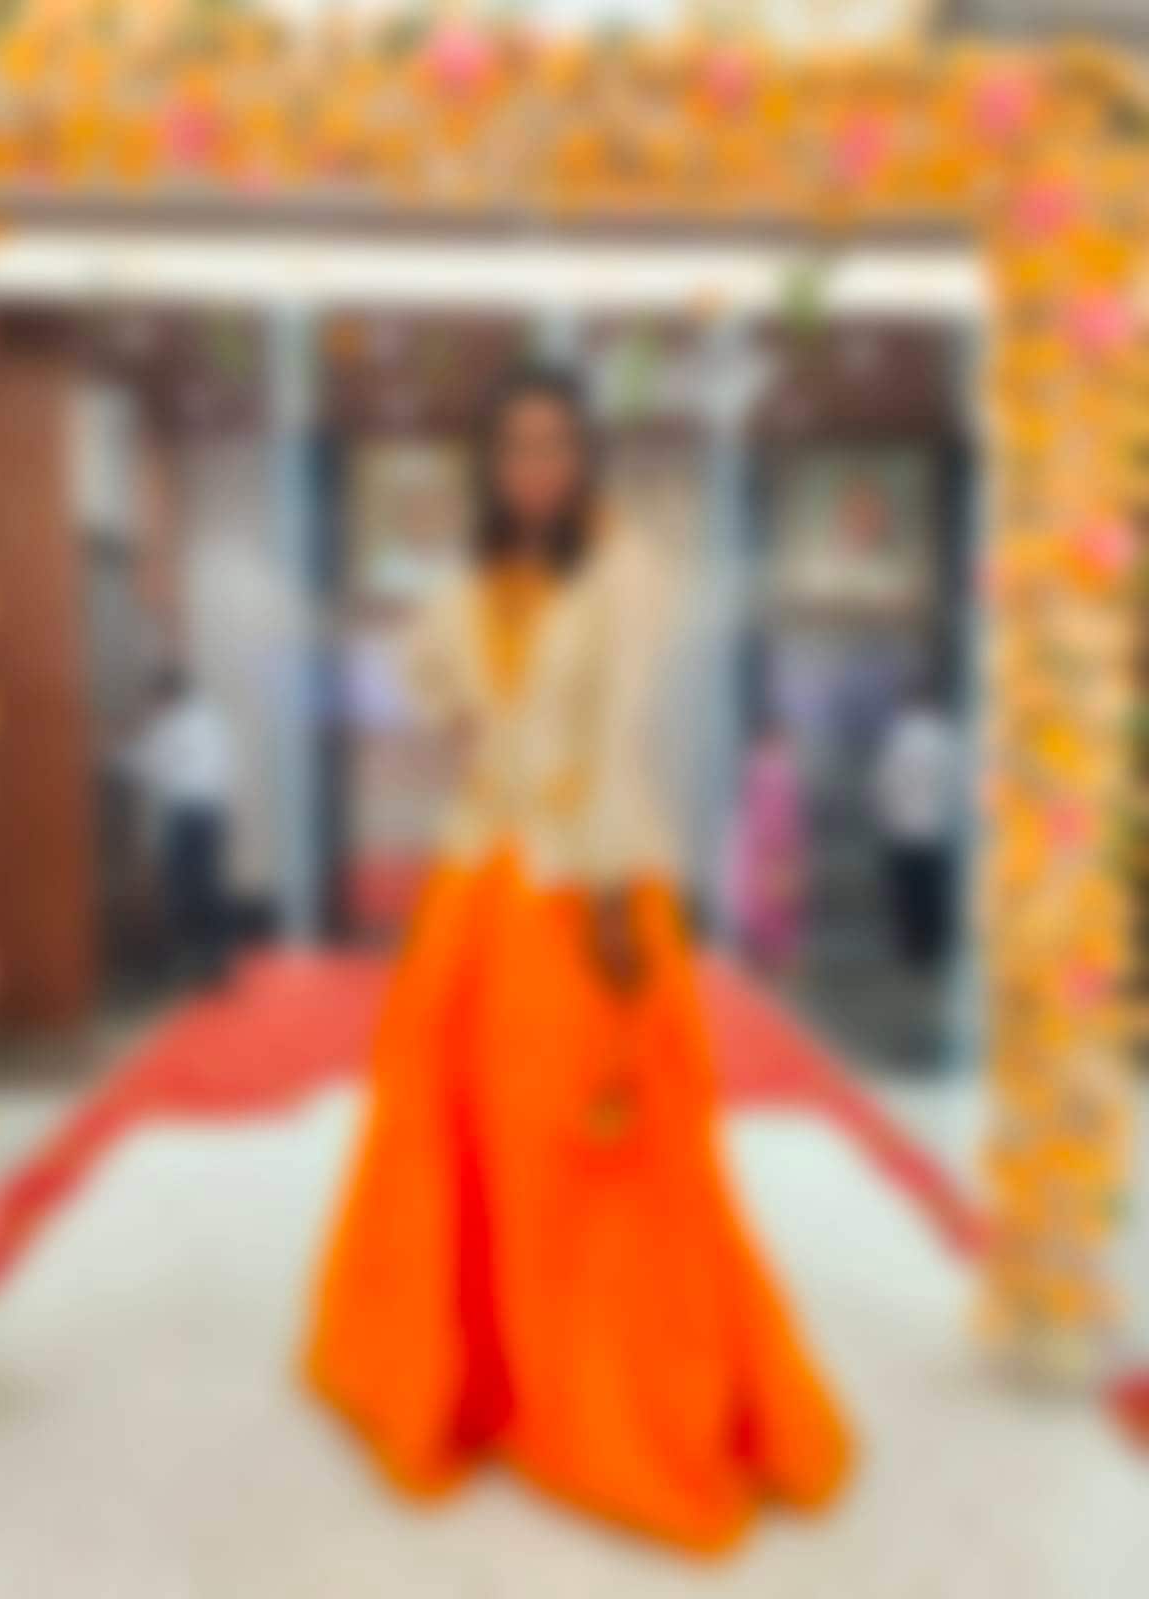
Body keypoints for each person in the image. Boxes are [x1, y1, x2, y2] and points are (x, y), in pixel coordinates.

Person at [302, 366, 852, 1551]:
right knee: (455, 1124)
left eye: (555, 443)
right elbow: (426, 676)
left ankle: (598, 1393)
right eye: (514, 445)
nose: (535, 466)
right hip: (476, 880)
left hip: (585, 885)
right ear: (489, 464)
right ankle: (476, 1378)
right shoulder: (466, 588)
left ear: (584, 455)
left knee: (585, 1140)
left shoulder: (623, 572)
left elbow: (612, 738)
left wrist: (608, 894)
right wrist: (472, 735)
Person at [124, 666, 236, 986]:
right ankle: (214, 959)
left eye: (154, 697)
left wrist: (112, 754)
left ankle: (190, 960)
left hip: (186, 813)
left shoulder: (170, 724)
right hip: (213, 810)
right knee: (208, 885)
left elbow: (146, 765)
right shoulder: (210, 719)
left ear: (165, 695)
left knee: (184, 888)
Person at [873, 677, 957, 973]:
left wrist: (886, 817)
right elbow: (956, 783)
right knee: (932, 894)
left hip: (903, 829)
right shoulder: (944, 738)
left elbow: (884, 784)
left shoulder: (897, 739)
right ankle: (932, 950)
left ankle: (911, 950)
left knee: (907, 895)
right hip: (936, 830)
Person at [732, 712, 808, 978]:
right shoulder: (778, 771)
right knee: (778, 907)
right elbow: (782, 817)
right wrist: (786, 851)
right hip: (775, 850)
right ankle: (775, 962)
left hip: (758, 849)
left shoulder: (755, 768)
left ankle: (766, 959)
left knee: (766, 907)